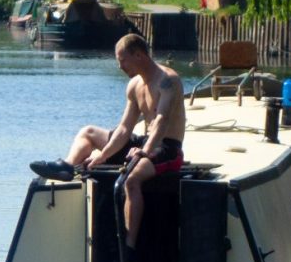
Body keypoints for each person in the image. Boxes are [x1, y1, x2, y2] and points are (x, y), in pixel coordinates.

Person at [30, 34, 186, 249]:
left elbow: (162, 119)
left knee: (131, 179)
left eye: (122, 60)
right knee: (89, 133)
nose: (119, 66)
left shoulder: (168, 81)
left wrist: (145, 151)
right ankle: (66, 167)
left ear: (139, 55)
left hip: (166, 146)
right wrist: (103, 156)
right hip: (145, 141)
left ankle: (129, 245)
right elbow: (124, 129)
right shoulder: (134, 85)